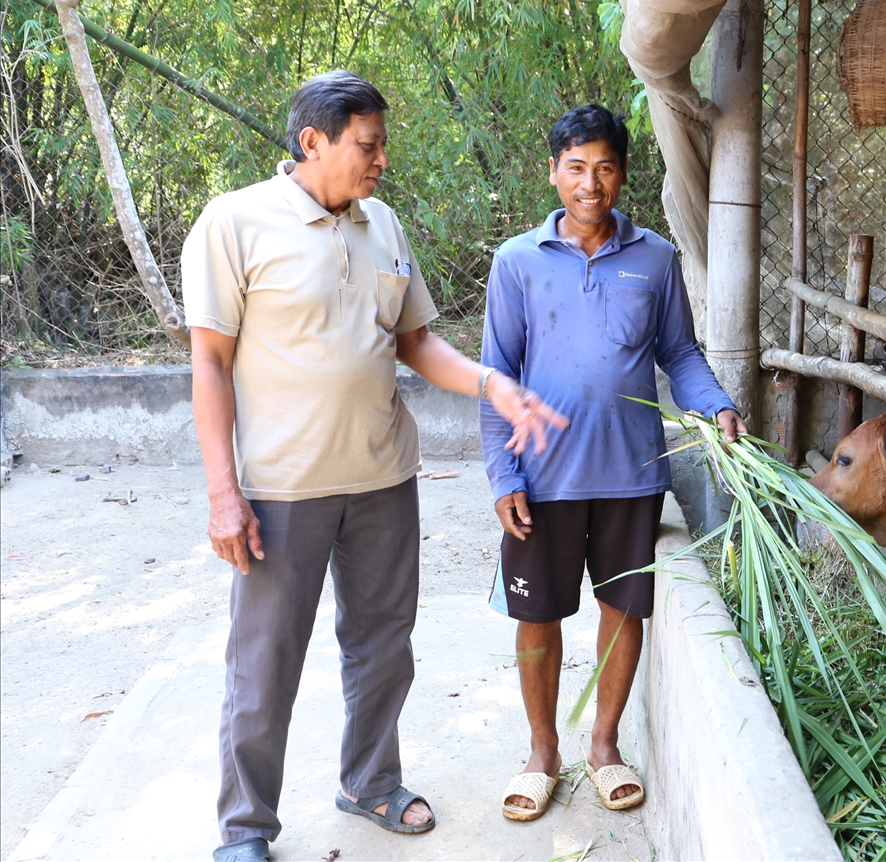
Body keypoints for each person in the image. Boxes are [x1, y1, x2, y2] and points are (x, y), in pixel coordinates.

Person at [184, 70, 567, 862]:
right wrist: (223, 493)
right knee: (264, 664)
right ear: (312, 141)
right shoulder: (234, 223)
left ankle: (370, 783)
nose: (382, 159)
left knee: (385, 647)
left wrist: (494, 385)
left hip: (384, 478)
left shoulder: (382, 223)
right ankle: (245, 828)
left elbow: (414, 341)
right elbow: (210, 363)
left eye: (382, 144)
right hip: (282, 490)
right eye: (369, 144)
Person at [480, 105, 748, 820]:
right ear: (553, 173)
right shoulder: (517, 262)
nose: (590, 183)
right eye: (575, 167)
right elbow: (495, 376)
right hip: (542, 477)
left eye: (603, 167)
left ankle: (604, 746)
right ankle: (542, 753)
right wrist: (503, 475)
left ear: (623, 174)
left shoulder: (656, 258)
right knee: (537, 616)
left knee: (623, 609)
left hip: (631, 475)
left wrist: (715, 404)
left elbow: (680, 353)